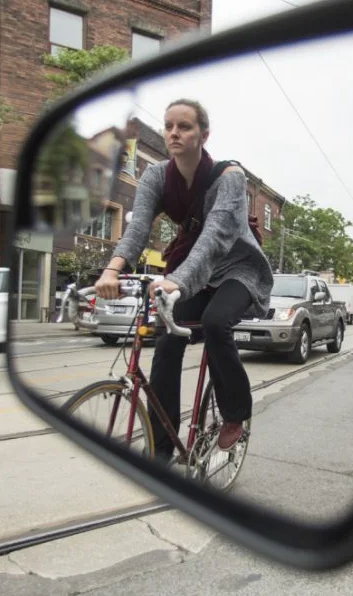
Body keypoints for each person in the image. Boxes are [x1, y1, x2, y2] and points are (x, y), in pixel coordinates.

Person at [94, 99, 273, 464]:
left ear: (203, 135)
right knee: (167, 341)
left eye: (185, 127)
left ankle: (236, 412)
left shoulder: (229, 178)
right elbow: (138, 228)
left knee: (215, 322)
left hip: (237, 268)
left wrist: (176, 281)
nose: (174, 133)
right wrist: (111, 269)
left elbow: (217, 238)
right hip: (192, 270)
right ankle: (162, 447)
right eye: (169, 125)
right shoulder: (157, 176)